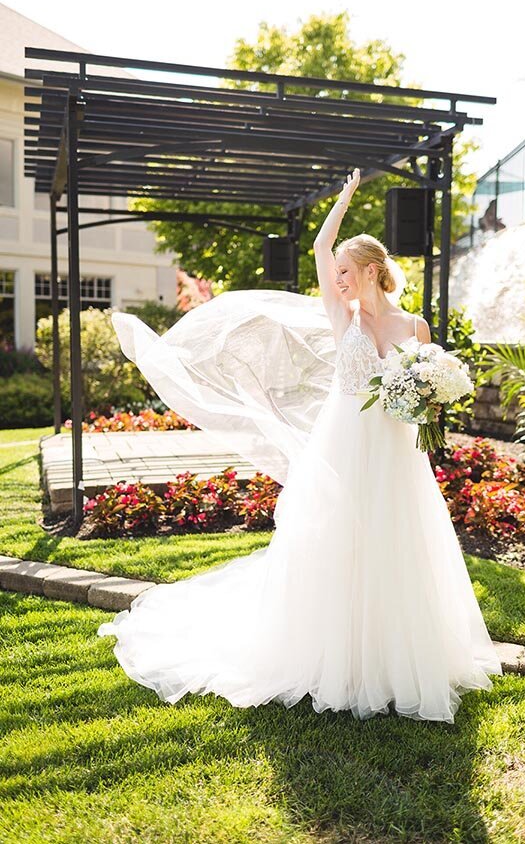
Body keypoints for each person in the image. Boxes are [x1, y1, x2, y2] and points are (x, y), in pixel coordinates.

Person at [98, 168, 503, 723]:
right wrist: (346, 198)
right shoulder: (344, 317)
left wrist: (427, 403)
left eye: (345, 271)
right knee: (338, 540)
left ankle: (395, 659)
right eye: (335, 272)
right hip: (343, 447)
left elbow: (429, 398)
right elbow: (319, 243)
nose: (336, 278)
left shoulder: (417, 328)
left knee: (397, 543)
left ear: (372, 271)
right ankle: (335, 658)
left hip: (396, 453)